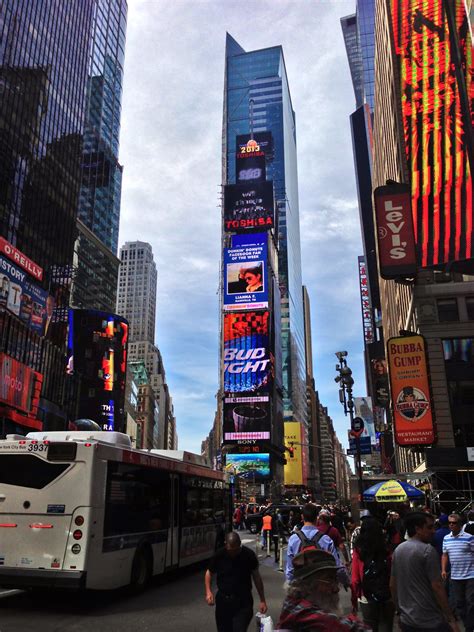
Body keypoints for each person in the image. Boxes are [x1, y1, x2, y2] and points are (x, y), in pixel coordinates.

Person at [390, 511, 459, 632]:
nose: (433, 531)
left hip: (407, 620)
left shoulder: (398, 550)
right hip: (429, 620)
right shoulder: (427, 551)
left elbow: (392, 585)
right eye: (429, 527)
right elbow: (437, 586)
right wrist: (450, 619)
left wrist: (400, 611)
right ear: (418, 529)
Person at [276, 548, 369, 631]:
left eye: (336, 580)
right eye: (329, 579)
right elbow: (347, 627)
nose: (336, 589)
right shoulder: (306, 615)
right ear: (307, 585)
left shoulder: (293, 602)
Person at [205, 532, 267, 632]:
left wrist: (262, 600)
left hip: (243, 601)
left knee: (239, 629)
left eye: (236, 550)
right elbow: (209, 572)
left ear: (240, 545)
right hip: (223, 600)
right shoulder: (220, 554)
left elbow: (257, 577)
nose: (233, 553)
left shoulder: (248, 555)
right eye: (230, 550)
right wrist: (208, 591)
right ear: (226, 545)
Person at [285, 503, 349, 587]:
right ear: (317, 518)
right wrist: (346, 582)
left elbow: (290, 570)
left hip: (301, 588)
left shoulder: (293, 539)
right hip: (322, 589)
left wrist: (291, 586)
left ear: (302, 517)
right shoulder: (326, 540)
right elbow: (337, 566)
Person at [351, 517, 394, 631]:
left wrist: (354, 599)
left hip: (366, 596)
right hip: (387, 593)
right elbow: (392, 571)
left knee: (370, 626)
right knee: (386, 625)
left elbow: (355, 579)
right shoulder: (386, 548)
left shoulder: (359, 550)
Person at [441, 513, 474, 631]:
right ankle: (468, 624)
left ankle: (469, 627)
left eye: (454, 523)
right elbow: (444, 555)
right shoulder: (446, 538)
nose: (451, 525)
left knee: (471, 602)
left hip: (471, 574)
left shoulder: (469, 537)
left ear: (459, 524)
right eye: (449, 523)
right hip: (455, 576)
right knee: (459, 603)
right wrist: (444, 569)